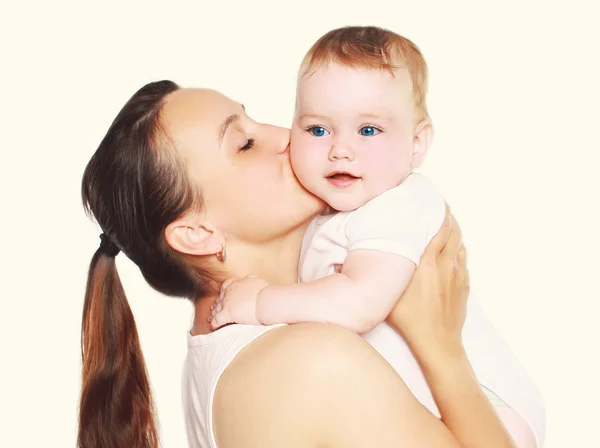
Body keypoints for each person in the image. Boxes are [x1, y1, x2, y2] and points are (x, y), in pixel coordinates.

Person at [79, 80, 542, 448]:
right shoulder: (312, 361)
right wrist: (440, 345)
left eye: (257, 121)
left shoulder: (229, 352)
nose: (287, 137)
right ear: (198, 234)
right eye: (244, 143)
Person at [210, 26, 543, 446]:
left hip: (492, 407)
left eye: (368, 131)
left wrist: (259, 302)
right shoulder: (334, 210)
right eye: (317, 130)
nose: (340, 150)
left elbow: (359, 301)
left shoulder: (400, 204)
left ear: (417, 143)